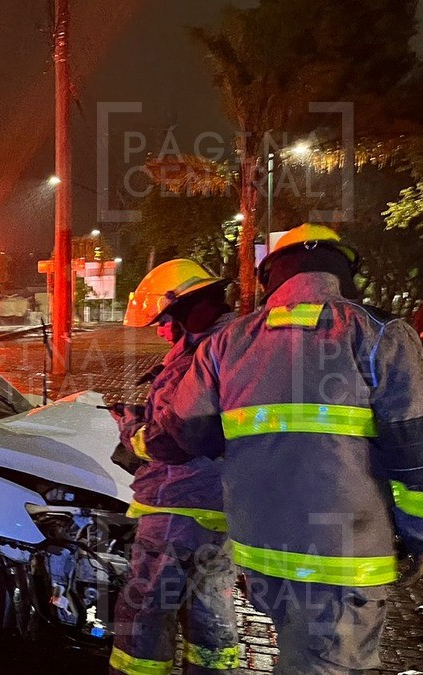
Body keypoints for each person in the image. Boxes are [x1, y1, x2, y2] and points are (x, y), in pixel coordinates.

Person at [165, 224, 423, 674]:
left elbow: (190, 432)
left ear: (271, 278)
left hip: (261, 554)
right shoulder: (381, 334)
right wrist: (418, 536)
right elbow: (414, 454)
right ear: (344, 271)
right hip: (343, 562)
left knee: (298, 647)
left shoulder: (226, 343)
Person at [109, 259, 240, 675]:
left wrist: (131, 428)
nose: (162, 331)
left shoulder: (199, 359)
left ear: (186, 310)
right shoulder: (242, 345)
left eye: (165, 321)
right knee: (208, 606)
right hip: (225, 507)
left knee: (144, 610)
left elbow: (170, 439)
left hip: (177, 506)